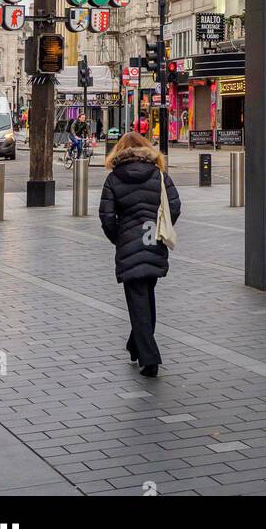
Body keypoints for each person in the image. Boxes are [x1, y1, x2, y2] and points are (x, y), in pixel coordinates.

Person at [98, 132, 181, 378]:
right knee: (146, 296)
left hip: (128, 245)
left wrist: (119, 238)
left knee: (138, 301)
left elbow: (106, 217)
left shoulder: (114, 179)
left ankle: (149, 358)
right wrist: (161, 228)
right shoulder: (159, 175)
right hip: (154, 241)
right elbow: (174, 206)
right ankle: (135, 345)